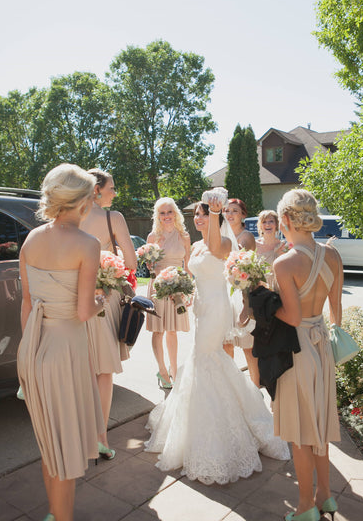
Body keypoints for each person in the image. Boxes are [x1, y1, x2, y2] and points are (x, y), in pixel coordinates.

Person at [144, 194, 290, 485]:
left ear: (216, 217)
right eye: (196, 215)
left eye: (203, 215)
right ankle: (207, 423)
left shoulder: (221, 243)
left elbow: (216, 250)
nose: (197, 219)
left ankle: (220, 435)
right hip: (201, 308)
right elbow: (194, 274)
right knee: (207, 361)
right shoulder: (196, 245)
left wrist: (214, 212)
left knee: (206, 359)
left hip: (217, 309)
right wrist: (177, 287)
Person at [17, 163, 106, 521]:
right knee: (66, 447)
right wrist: (103, 299)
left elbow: (26, 303)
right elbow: (84, 312)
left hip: (34, 348)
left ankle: (55, 514)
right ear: (83, 203)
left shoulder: (31, 239)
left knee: (49, 445)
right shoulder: (87, 243)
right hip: (66, 349)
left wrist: (29, 353)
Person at [272, 189, 342, 521]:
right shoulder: (333, 255)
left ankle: (304, 507)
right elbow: (336, 310)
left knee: (300, 431)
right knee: (321, 423)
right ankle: (326, 496)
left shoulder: (284, 263)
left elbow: (293, 317)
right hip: (322, 346)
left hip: (297, 349)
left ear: (285, 219)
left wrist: (265, 306)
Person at [80, 168, 137, 458]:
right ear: (96, 190)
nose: (115, 193)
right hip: (103, 296)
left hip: (76, 297)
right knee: (103, 370)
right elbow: (131, 262)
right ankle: (100, 437)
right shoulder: (112, 218)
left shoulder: (71, 217)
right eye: (111, 188)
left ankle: (81, 434)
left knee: (82, 368)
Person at [146, 197, 191, 388]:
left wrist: (189, 291)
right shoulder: (153, 237)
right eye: (162, 213)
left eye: (169, 212)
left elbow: (187, 266)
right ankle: (162, 371)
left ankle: (174, 370)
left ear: (176, 213)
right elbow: (149, 266)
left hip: (178, 286)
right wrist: (149, 265)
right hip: (158, 287)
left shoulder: (184, 236)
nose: (166, 216)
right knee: (159, 330)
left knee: (173, 330)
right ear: (158, 216)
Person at [223, 198, 259, 386]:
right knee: (226, 344)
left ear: (243, 214)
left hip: (243, 294)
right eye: (227, 211)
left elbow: (236, 263)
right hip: (224, 293)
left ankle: (255, 388)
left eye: (234, 211)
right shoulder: (221, 234)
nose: (230, 214)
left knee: (247, 346)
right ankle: (232, 389)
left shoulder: (246, 237)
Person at [255, 209, 286, 289]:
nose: (267, 224)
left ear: (276, 224)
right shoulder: (254, 245)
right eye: (264, 222)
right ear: (260, 226)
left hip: (278, 289)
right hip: (258, 290)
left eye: (271, 221)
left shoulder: (283, 246)